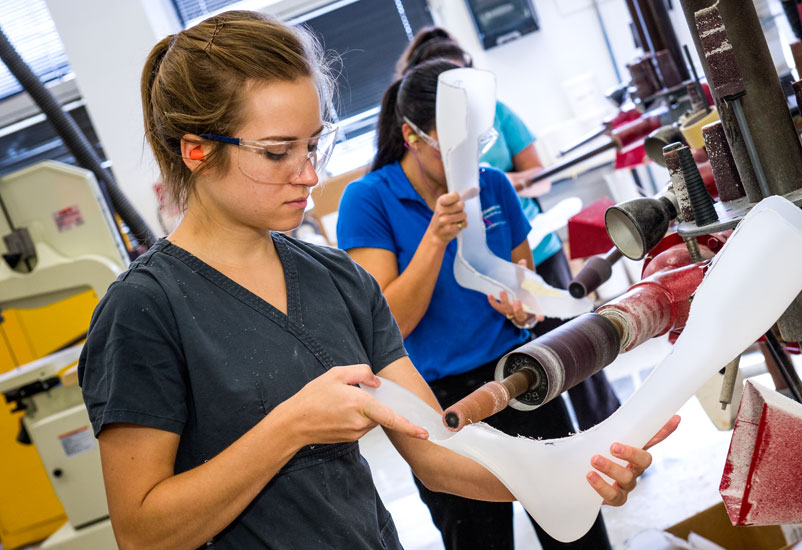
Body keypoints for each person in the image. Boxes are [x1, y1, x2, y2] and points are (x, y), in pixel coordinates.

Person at [77, 11, 676, 550]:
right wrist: (291, 426)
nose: (309, 174)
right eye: (278, 151)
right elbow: (142, 530)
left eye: (314, 144)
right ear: (196, 151)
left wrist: (567, 472)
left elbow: (436, 453)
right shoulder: (145, 311)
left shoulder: (334, 278)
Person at [337, 59, 660, 550]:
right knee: (478, 538)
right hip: (436, 400)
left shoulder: (493, 184)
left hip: (523, 377)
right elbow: (389, 323)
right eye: (452, 147)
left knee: (572, 519)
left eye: (478, 144)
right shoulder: (369, 200)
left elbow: (521, 279)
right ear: (410, 135)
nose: (469, 160)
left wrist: (523, 307)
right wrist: (434, 238)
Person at [396, 27, 621, 430]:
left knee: (574, 352)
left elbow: (538, 176)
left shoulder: (493, 155)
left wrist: (523, 309)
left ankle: (606, 434)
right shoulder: (383, 195)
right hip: (458, 377)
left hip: (530, 255)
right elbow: (393, 319)